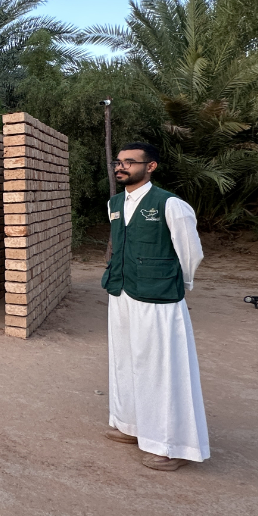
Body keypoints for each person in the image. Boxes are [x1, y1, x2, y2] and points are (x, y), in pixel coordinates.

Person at [101, 142, 208, 471]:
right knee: (125, 361)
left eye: (130, 162)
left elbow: (191, 253)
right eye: (118, 162)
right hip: (121, 294)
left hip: (158, 298)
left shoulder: (171, 204)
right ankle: (131, 426)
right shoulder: (114, 203)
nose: (121, 167)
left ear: (151, 167)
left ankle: (169, 445)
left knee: (161, 368)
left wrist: (179, 285)